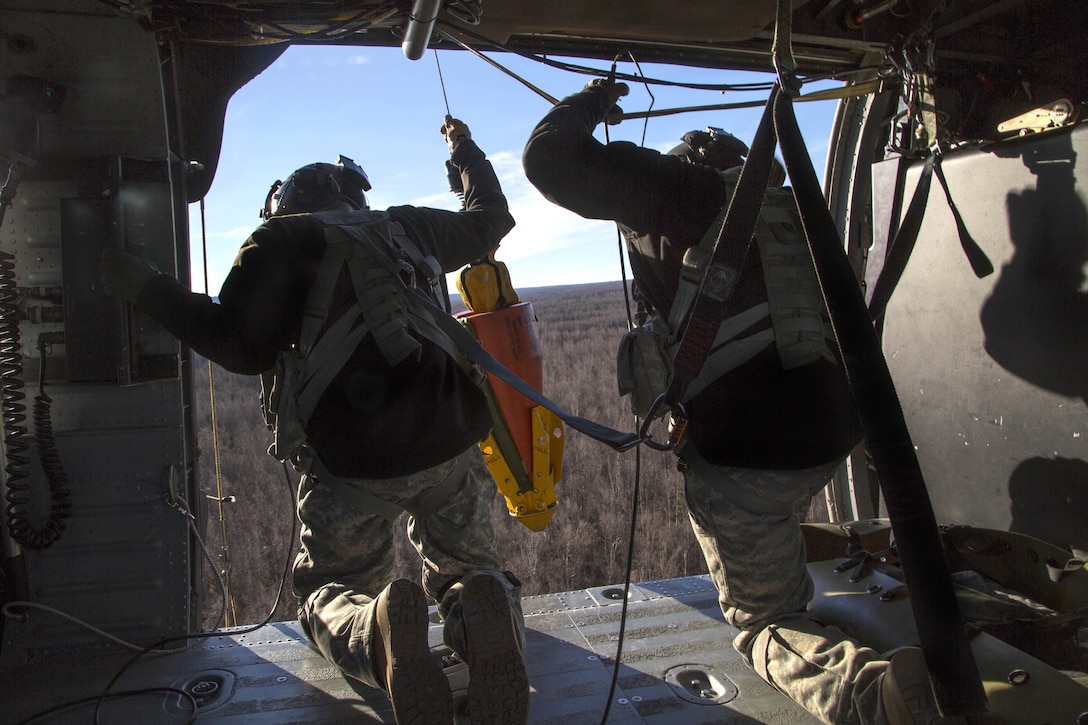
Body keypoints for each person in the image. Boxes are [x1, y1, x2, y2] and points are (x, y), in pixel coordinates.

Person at [522, 79, 953, 724]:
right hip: (837, 429)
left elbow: (547, 159)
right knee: (778, 510)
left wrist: (588, 101)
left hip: (745, 455)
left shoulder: (685, 197)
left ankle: (872, 698)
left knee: (763, 621)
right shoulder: (802, 214)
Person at [99, 116, 528, 725]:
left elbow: (240, 347)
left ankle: (375, 633)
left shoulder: (276, 241)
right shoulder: (409, 225)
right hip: (451, 439)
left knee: (332, 588)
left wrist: (145, 287)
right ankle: (485, 615)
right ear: (353, 195)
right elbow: (492, 219)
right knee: (470, 567)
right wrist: (464, 153)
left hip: (352, 460)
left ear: (284, 205)